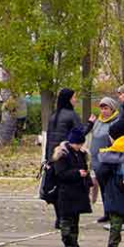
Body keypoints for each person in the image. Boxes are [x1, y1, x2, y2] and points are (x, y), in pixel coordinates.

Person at [45, 88, 85, 228]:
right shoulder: (71, 115)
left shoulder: (53, 116)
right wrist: (91, 125)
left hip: (53, 155)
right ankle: (65, 218)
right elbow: (79, 133)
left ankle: (58, 218)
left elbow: (49, 138)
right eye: (74, 97)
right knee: (66, 187)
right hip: (66, 155)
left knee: (55, 187)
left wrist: (47, 158)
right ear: (68, 99)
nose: (76, 100)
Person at [53, 128, 93, 247]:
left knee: (75, 219)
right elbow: (60, 174)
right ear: (71, 142)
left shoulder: (81, 154)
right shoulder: (62, 155)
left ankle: (74, 243)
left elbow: (84, 168)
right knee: (66, 220)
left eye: (81, 144)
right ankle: (68, 244)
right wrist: (77, 173)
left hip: (78, 192)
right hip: (66, 192)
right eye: (77, 144)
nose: (79, 146)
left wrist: (87, 179)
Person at [88, 97, 120, 223]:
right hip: (96, 159)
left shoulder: (116, 122)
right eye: (102, 108)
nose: (103, 111)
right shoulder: (98, 122)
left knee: (110, 188)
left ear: (112, 109)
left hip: (108, 160)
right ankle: (107, 212)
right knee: (102, 187)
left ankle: (114, 213)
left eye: (106, 108)